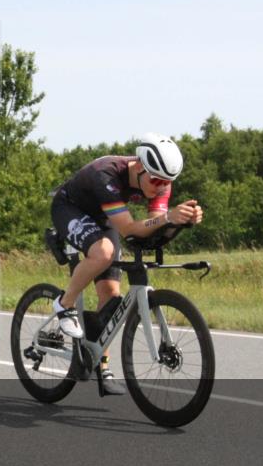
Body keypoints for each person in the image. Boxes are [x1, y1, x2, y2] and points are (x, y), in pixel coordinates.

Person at [51, 133, 203, 396]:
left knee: (111, 294)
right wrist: (168, 217)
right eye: (155, 180)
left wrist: (179, 221)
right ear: (140, 167)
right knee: (104, 252)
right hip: (71, 208)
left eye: (166, 183)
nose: (160, 187)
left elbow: (150, 229)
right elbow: (131, 228)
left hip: (105, 215)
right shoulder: (107, 173)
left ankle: (101, 365)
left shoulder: (160, 181)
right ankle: (64, 305)